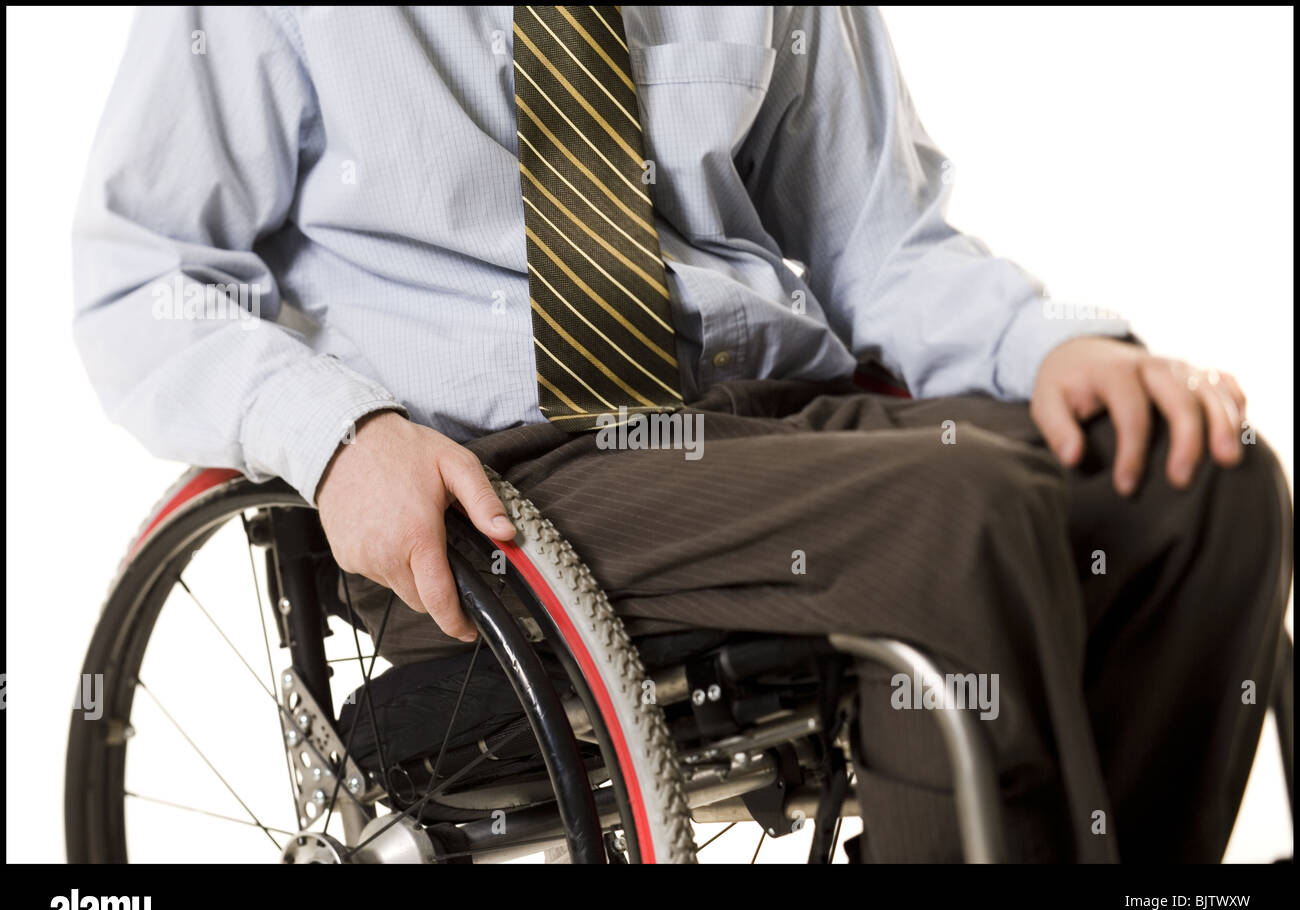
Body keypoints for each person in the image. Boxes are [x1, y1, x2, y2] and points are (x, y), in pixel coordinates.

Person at [73, 6, 1291, 862]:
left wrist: (1050, 345)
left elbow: (876, 235)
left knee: (1199, 486)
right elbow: (139, 276)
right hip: (497, 478)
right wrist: (339, 437)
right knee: (957, 519)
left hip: (766, 430)